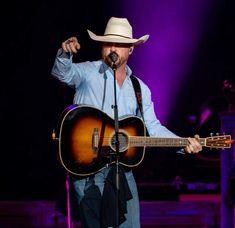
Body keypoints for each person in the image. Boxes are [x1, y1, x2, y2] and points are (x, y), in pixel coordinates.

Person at [51, 17, 202, 228]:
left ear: (130, 49)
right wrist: (65, 54)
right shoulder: (87, 72)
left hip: (122, 171)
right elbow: (62, 73)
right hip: (86, 169)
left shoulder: (140, 89)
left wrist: (182, 143)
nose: (113, 47)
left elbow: (153, 128)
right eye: (108, 43)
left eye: (119, 44)